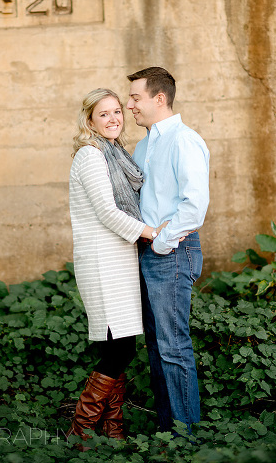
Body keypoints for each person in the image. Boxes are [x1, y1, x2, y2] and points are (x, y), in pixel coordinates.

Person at [67, 88, 167, 443]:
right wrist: (150, 232)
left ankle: (114, 431)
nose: (113, 119)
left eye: (116, 112)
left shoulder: (115, 153)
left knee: (118, 348)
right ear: (90, 121)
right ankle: (80, 433)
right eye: (103, 114)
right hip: (102, 262)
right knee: (119, 348)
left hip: (119, 259)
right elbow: (108, 213)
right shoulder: (91, 156)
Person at [126, 67, 210, 433]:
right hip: (149, 253)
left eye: (135, 98)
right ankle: (168, 431)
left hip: (173, 251)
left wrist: (160, 242)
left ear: (159, 98)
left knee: (173, 347)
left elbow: (195, 205)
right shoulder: (143, 146)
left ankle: (186, 437)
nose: (129, 105)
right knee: (158, 349)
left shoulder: (184, 141)